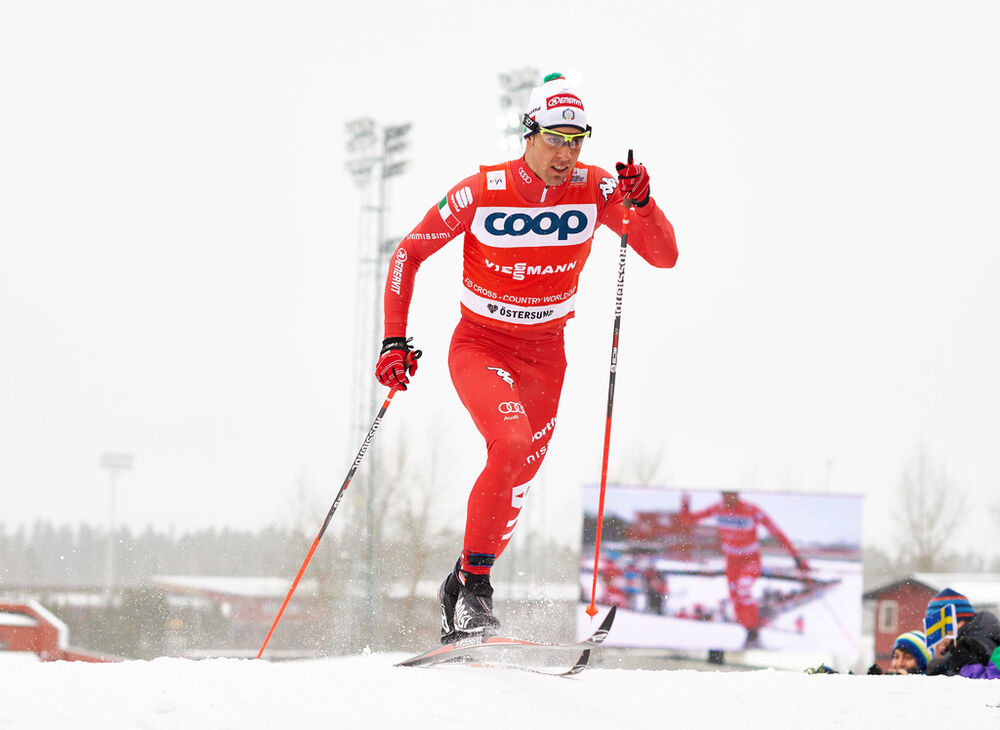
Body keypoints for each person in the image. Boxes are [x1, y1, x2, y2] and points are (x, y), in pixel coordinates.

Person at [373, 72, 678, 643]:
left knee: (517, 481)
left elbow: (663, 255)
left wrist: (642, 203)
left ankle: (459, 586)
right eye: (555, 139)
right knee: (510, 442)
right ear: (529, 133)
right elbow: (408, 254)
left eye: (577, 141)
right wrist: (393, 339)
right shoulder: (483, 191)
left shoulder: (596, 189)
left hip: (545, 357)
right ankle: (475, 591)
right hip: (480, 346)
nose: (566, 154)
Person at [680, 490, 810, 648]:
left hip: (750, 561)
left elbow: (777, 533)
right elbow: (688, 520)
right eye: (723, 493)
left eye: (731, 493)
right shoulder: (717, 508)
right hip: (732, 562)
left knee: (743, 589)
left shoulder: (751, 510)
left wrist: (796, 558)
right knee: (735, 600)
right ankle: (751, 633)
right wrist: (685, 501)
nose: (727, 497)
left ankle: (756, 627)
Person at [923, 587, 1000, 676]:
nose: (936, 640)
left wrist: (961, 670)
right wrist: (945, 668)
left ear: (957, 624)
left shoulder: (970, 645)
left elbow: (988, 680)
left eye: (938, 630)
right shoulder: (969, 640)